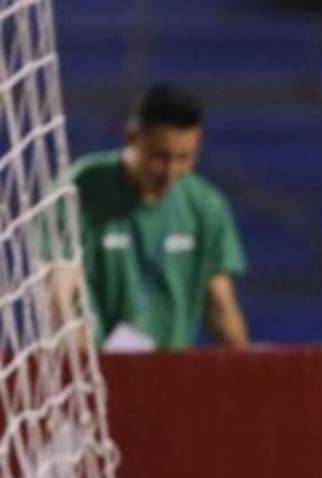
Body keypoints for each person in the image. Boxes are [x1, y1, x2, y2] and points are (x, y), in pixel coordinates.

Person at [68, 81, 249, 349]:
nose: (171, 171)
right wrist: (85, 363)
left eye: (185, 158)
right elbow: (61, 292)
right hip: (93, 362)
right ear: (131, 137)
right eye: (160, 157)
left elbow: (219, 303)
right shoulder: (81, 189)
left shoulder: (206, 205)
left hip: (170, 366)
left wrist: (245, 364)